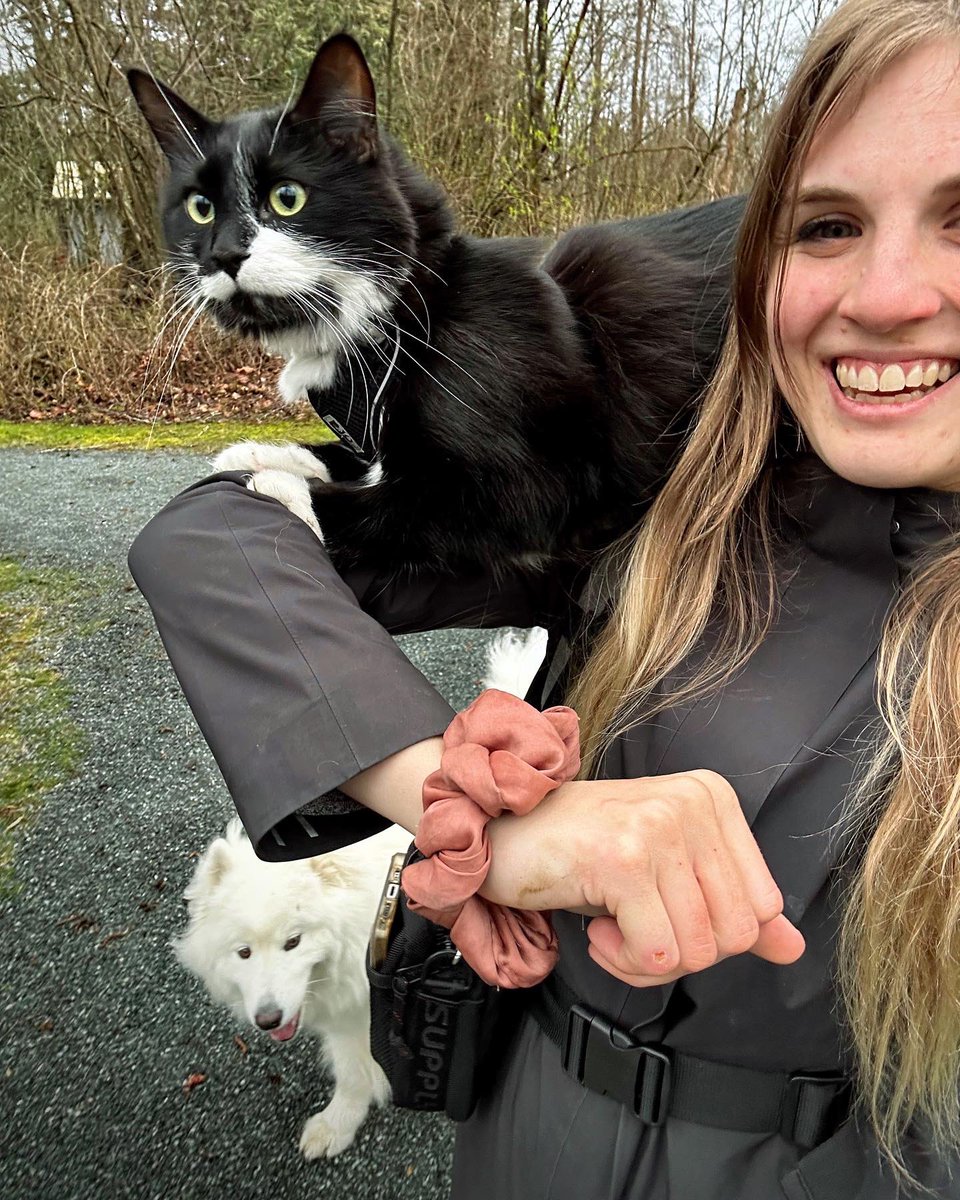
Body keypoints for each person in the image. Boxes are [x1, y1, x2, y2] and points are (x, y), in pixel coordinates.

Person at [128, 0, 960, 1194]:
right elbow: (207, 546)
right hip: (529, 1134)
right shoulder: (656, 490)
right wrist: (486, 816)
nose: (885, 295)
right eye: (825, 224)